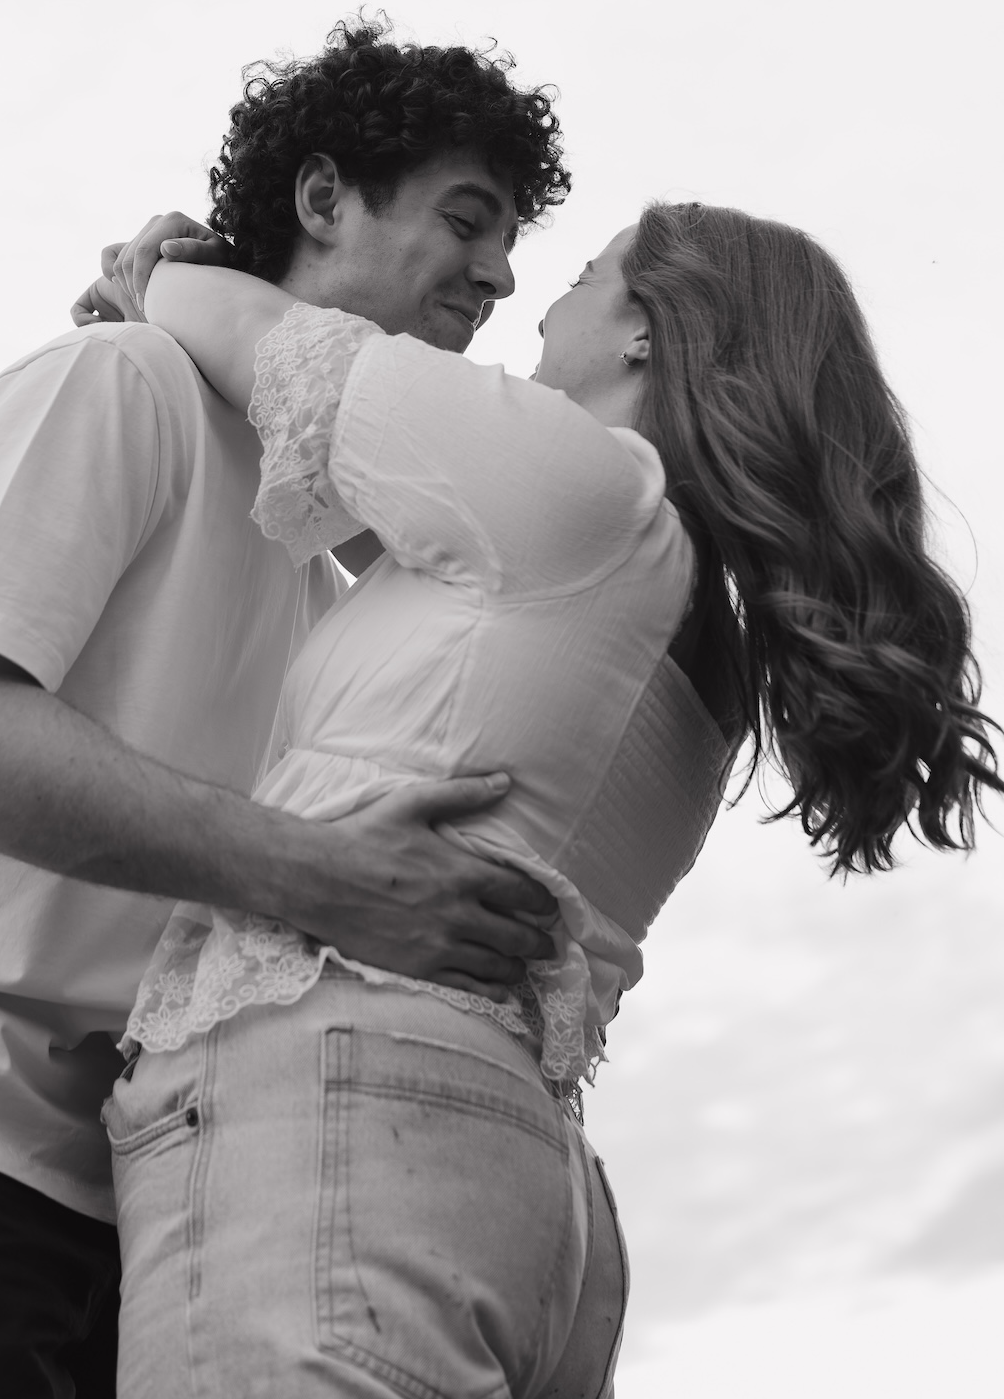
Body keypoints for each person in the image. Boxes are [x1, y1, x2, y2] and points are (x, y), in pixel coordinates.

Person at [0, 18, 571, 1399]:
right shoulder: (114, 384)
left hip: (95, 1200)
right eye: (466, 217)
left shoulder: (320, 563)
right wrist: (325, 878)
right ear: (321, 198)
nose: (499, 271)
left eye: (510, 241)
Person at [94, 203, 998, 1399]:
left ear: (645, 336)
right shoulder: (682, 621)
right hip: (516, 1191)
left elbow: (263, 335)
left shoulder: (581, 492)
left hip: (339, 1138)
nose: (532, 296)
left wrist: (152, 273)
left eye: (581, 276)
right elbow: (379, 529)